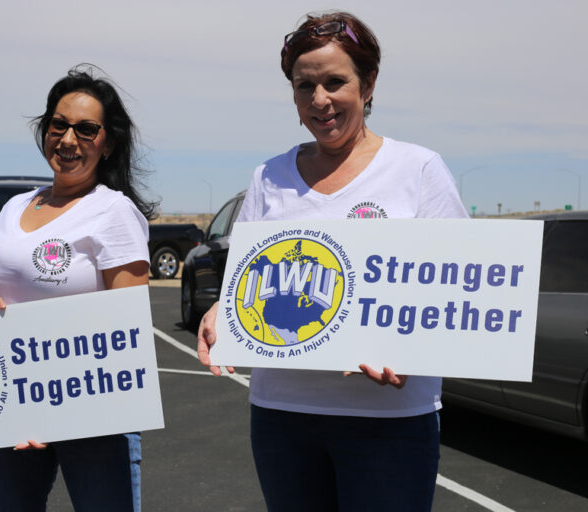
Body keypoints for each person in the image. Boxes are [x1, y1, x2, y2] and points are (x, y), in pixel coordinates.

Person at [197, 11, 467, 511]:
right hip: (282, 415)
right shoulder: (268, 177)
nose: (319, 100)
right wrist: (220, 313)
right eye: (305, 86)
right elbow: (244, 282)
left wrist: (412, 350)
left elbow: (459, 289)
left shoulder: (418, 169)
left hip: (390, 419)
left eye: (335, 82)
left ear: (369, 83)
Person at [0, 65, 155, 512]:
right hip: (10, 404)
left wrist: (55, 408)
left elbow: (126, 329)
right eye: (59, 125)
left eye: (86, 129)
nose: (69, 140)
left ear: (108, 143)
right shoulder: (14, 206)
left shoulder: (113, 212)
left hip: (92, 413)